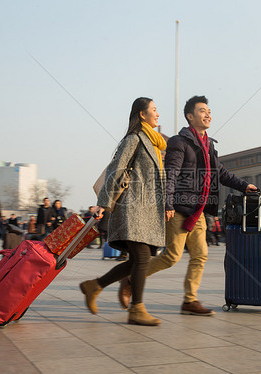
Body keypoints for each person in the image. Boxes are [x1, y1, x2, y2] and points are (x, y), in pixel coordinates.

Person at [119, 95, 258, 316]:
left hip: (199, 210)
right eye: (203, 110)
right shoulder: (179, 141)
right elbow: (171, 174)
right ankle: (130, 280)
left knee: (201, 254)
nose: (208, 114)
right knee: (171, 257)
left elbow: (220, 173)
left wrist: (244, 186)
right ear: (190, 116)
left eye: (209, 110)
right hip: (179, 209)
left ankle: (189, 300)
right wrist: (168, 203)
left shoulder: (209, 145)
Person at [79, 97, 166, 326]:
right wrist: (104, 205)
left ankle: (94, 286)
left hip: (146, 212)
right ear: (141, 114)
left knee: (139, 260)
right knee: (143, 258)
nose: (158, 114)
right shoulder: (134, 139)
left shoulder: (154, 143)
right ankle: (137, 309)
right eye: (154, 110)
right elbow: (116, 172)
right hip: (131, 210)